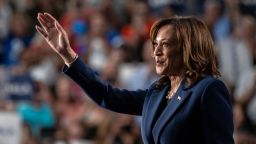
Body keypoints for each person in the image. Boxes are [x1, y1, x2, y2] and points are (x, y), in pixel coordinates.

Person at [36, 12, 234, 144]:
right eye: (154, 44)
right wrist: (67, 53)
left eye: (164, 44)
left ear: (187, 48)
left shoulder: (208, 89)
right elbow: (108, 96)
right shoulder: (157, 92)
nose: (155, 52)